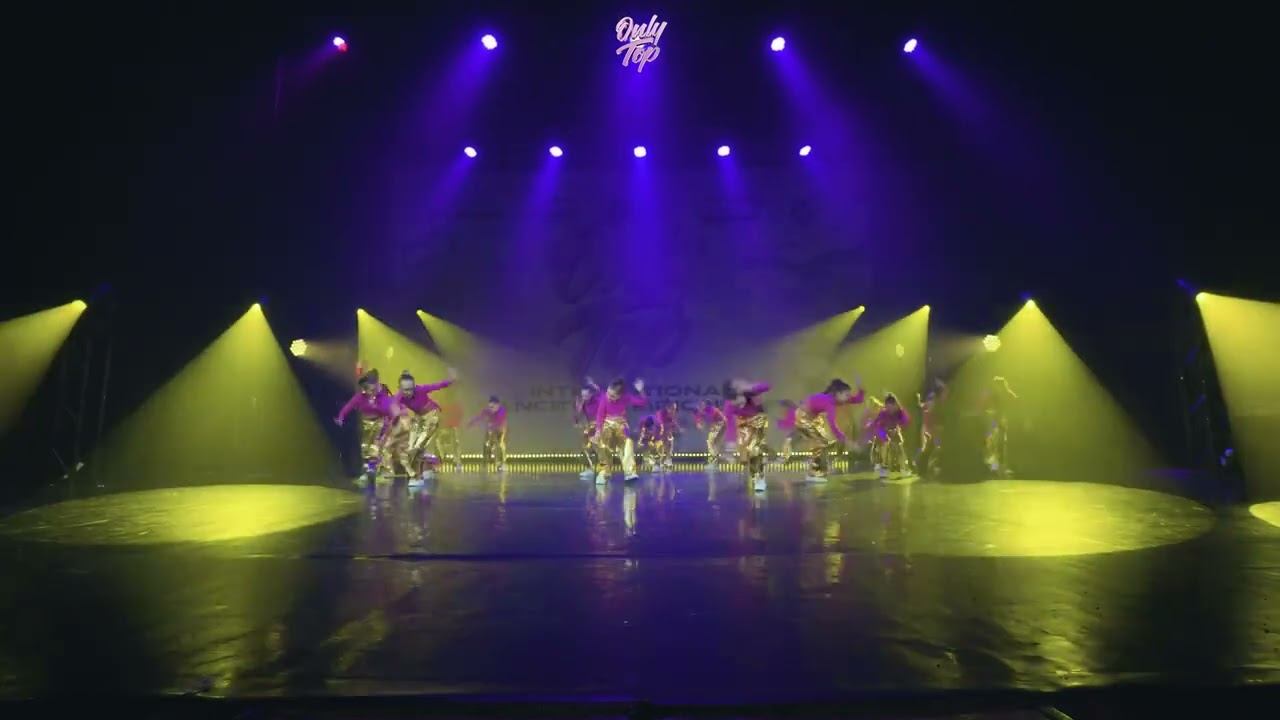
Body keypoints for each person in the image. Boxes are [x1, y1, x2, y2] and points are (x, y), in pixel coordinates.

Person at [394, 367, 457, 487]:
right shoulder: (399, 396)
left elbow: (437, 385)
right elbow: (391, 405)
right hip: (418, 419)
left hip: (432, 417)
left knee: (417, 447)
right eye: (405, 390)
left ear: (414, 387)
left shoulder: (420, 389)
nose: (408, 393)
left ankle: (418, 476)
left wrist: (450, 380)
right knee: (411, 447)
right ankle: (427, 469)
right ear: (400, 389)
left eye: (410, 389)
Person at [793, 378, 865, 482]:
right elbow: (833, 427)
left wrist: (860, 387)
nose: (848, 398)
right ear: (838, 394)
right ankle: (812, 474)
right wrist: (849, 442)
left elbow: (858, 399)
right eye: (847, 395)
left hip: (813, 418)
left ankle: (818, 468)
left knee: (824, 442)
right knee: (820, 443)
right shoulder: (829, 402)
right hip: (803, 418)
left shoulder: (837, 399)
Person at [334, 367, 396, 484]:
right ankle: (368, 472)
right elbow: (348, 406)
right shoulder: (360, 397)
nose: (368, 392)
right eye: (366, 389)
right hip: (366, 424)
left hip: (380, 424)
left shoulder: (383, 397)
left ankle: (382, 472)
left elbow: (391, 414)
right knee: (364, 448)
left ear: (376, 385)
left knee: (376, 448)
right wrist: (341, 417)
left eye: (371, 389)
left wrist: (387, 429)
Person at [593, 377, 647, 484]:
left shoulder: (626, 398)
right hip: (607, 424)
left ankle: (629, 472)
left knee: (627, 444)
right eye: (608, 393)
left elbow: (642, 402)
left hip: (621, 424)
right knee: (602, 444)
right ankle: (604, 472)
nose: (609, 396)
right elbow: (600, 415)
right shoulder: (605, 398)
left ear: (620, 396)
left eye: (612, 396)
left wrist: (641, 391)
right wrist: (598, 431)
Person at [723, 378, 771, 493]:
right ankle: (755, 474)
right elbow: (730, 424)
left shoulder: (751, 392)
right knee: (746, 455)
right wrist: (730, 442)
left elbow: (767, 386)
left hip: (758, 420)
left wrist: (751, 387)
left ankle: (759, 479)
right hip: (743, 426)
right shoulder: (729, 404)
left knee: (755, 450)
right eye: (736, 403)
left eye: (740, 401)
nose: (739, 404)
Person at [866, 392, 912, 478]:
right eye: (887, 407)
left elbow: (905, 421)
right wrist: (883, 434)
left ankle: (904, 468)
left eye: (891, 407)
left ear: (895, 405)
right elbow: (877, 424)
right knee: (884, 446)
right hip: (883, 431)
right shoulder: (883, 413)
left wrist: (897, 428)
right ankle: (883, 467)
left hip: (895, 431)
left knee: (899, 447)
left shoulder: (900, 412)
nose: (889, 409)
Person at [981, 376, 1018, 475]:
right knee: (994, 444)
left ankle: (997, 468)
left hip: (1000, 422)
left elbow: (1014, 402)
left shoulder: (1005, 394)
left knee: (998, 446)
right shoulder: (996, 395)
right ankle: (995, 467)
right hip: (997, 421)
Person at [915, 378, 947, 475]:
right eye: (944, 392)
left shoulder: (937, 402)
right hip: (931, 429)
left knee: (930, 449)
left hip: (931, 429)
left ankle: (924, 469)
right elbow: (929, 416)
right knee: (930, 448)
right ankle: (923, 469)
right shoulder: (934, 403)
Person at [468, 396, 508, 472]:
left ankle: (501, 463)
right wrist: (472, 422)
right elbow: (480, 417)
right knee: (486, 443)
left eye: (493, 407)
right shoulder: (487, 410)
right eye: (490, 407)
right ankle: (485, 461)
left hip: (500, 429)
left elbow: (499, 421)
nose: (491, 409)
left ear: (498, 405)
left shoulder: (502, 410)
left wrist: (491, 426)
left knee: (499, 444)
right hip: (491, 429)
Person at [573, 378, 603, 479]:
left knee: (600, 448)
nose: (584, 397)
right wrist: (578, 409)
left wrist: (593, 385)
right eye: (583, 395)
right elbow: (577, 417)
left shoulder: (598, 400)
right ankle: (590, 468)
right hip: (590, 426)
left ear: (591, 394)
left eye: (586, 395)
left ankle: (604, 469)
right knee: (585, 447)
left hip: (601, 426)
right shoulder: (583, 403)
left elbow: (603, 395)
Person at [693, 399, 727, 469]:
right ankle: (714, 461)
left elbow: (715, 420)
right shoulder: (701, 412)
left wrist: (713, 426)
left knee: (710, 442)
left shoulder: (711, 410)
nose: (701, 406)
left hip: (719, 424)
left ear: (705, 405)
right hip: (718, 425)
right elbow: (700, 423)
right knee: (713, 444)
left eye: (702, 405)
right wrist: (700, 424)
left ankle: (713, 461)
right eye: (700, 405)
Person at [434, 401, 464, 471]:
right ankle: (440, 458)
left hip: (450, 434)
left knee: (456, 443)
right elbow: (436, 429)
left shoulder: (451, 419)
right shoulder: (438, 419)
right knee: (437, 442)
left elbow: (455, 429)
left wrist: (455, 436)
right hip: (441, 435)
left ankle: (457, 461)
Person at [657, 401, 681, 469]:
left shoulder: (672, 414)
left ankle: (668, 459)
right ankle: (659, 462)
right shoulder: (661, 413)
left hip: (667, 433)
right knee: (662, 446)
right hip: (659, 432)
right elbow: (660, 424)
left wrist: (677, 428)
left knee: (670, 443)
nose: (674, 410)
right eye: (673, 408)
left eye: (675, 408)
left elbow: (674, 423)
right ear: (668, 408)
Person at [776, 399, 799, 464]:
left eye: (782, 407)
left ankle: (785, 458)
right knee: (787, 444)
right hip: (793, 431)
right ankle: (786, 458)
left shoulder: (791, 412)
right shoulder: (793, 411)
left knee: (787, 444)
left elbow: (789, 423)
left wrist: (779, 423)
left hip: (793, 431)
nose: (781, 409)